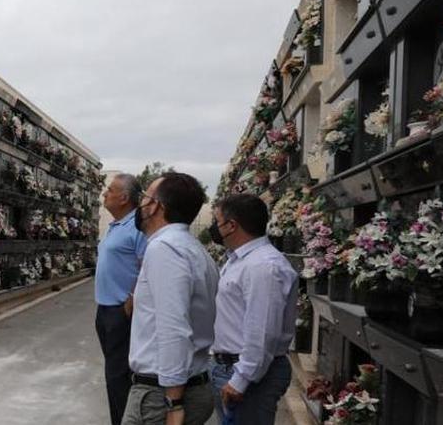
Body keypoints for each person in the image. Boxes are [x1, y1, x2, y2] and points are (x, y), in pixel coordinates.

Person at [121, 173, 218, 425]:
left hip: (160, 396)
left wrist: (173, 404)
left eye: (144, 198)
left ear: (155, 206)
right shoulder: (194, 249)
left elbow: (174, 328)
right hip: (185, 384)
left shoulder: (165, 248)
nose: (140, 205)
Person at [207, 193, 297, 424]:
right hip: (230, 367)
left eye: (217, 222)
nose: (214, 228)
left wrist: (241, 379)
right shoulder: (239, 260)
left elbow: (262, 330)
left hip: (249, 375)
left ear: (231, 226)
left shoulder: (263, 266)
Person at [94, 173, 149, 425]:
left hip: (122, 311)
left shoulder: (137, 227)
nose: (105, 193)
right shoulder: (115, 225)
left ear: (125, 197)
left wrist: (133, 297)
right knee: (113, 374)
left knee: (119, 376)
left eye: (110, 190)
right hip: (104, 310)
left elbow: (148, 264)